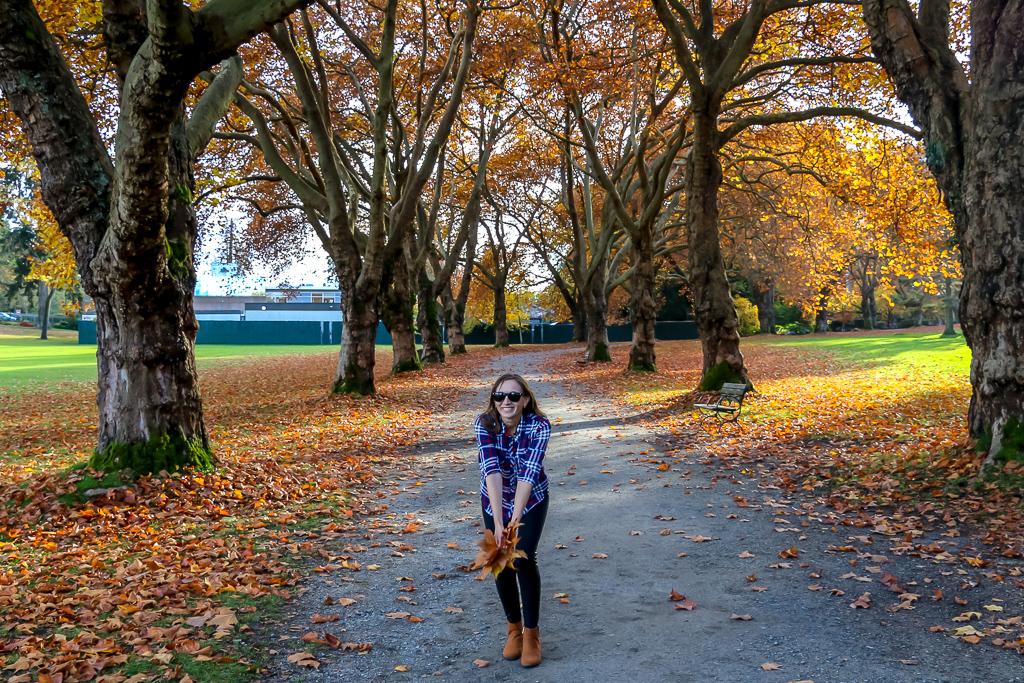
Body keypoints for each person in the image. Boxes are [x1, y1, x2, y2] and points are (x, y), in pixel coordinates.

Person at [475, 372, 551, 668]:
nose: (506, 401)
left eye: (514, 396)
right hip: (494, 498)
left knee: (523, 557)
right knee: (500, 559)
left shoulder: (539, 425)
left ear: (526, 400)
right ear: (494, 400)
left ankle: (532, 634)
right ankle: (513, 630)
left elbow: (528, 473)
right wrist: (497, 523)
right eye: (500, 396)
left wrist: (514, 522)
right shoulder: (484, 424)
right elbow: (490, 470)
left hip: (530, 498)